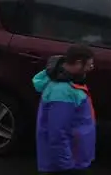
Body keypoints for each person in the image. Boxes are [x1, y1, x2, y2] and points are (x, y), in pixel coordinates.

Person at [33, 44, 96, 175]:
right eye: (89, 65)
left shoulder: (70, 83)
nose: (92, 68)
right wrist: (66, 166)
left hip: (73, 158)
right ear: (78, 63)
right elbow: (57, 133)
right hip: (66, 164)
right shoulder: (62, 92)